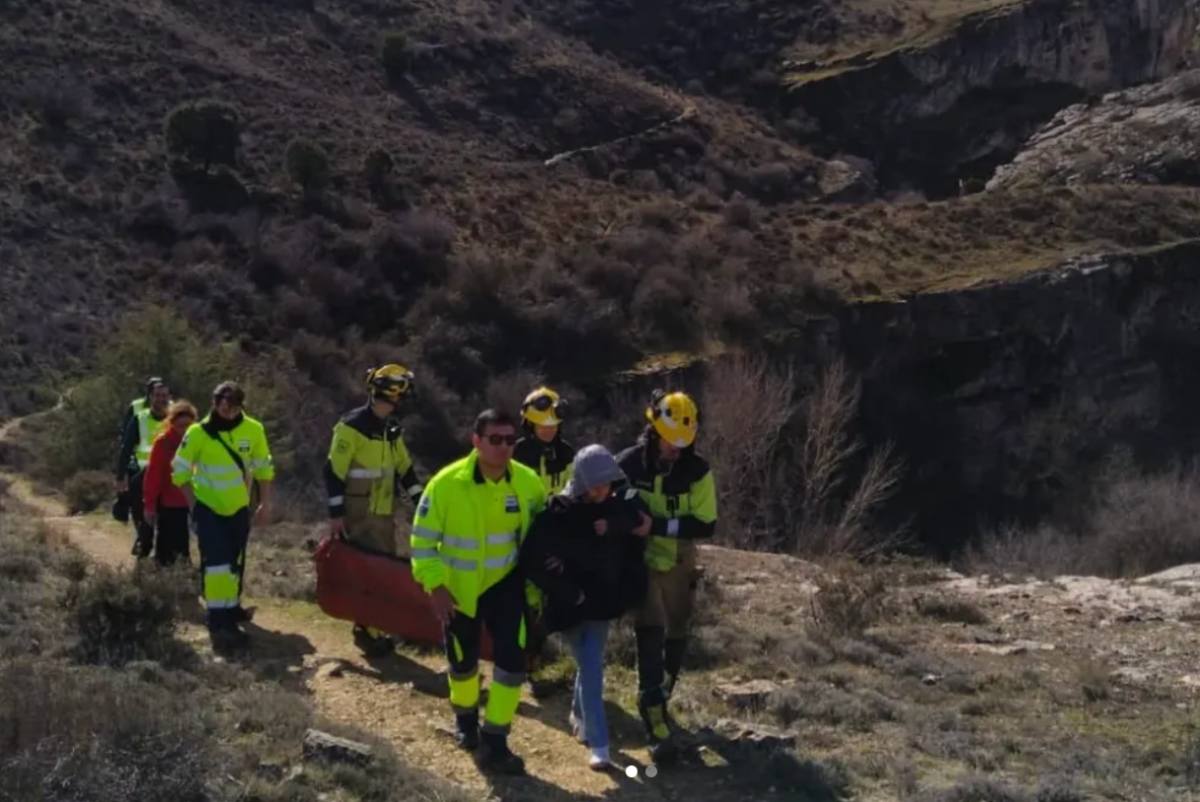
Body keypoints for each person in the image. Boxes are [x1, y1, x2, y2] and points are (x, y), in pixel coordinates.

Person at [410, 409, 546, 775]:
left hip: (507, 587)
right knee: (463, 663)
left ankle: (496, 740)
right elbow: (422, 543)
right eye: (495, 439)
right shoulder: (446, 484)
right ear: (476, 441)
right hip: (457, 591)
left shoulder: (529, 484)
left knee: (511, 662)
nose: (503, 447)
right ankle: (466, 722)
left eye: (510, 440)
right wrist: (435, 586)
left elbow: (543, 538)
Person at [520, 445, 650, 770]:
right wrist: (564, 585)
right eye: (596, 485)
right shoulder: (559, 511)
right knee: (589, 665)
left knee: (591, 667)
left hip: (603, 603)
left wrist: (614, 527)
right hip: (568, 605)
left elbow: (640, 523)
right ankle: (588, 727)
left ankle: (597, 741)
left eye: (607, 484)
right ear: (580, 482)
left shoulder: (617, 507)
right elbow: (533, 558)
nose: (602, 491)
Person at [617, 390, 718, 761]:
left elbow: (706, 523)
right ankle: (652, 712)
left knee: (676, 631)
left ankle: (662, 696)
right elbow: (608, 497)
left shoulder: (697, 471)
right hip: (641, 559)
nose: (675, 451)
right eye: (669, 442)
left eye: (682, 445)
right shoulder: (628, 463)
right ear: (653, 430)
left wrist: (656, 524)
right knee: (650, 629)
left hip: (678, 558)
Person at [324, 364, 425, 657]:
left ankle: (375, 627)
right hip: (359, 510)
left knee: (383, 568)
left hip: (383, 510)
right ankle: (367, 630)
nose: (402, 401)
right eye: (400, 395)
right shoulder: (351, 427)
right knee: (368, 570)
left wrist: (421, 503)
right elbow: (333, 472)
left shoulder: (390, 430)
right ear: (391, 393)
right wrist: (336, 515)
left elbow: (405, 469)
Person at [172, 381, 275, 652]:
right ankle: (219, 622)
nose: (228, 411)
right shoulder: (197, 433)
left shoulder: (253, 430)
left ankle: (231, 608)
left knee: (234, 561)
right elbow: (179, 472)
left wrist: (264, 503)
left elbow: (264, 467)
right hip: (208, 509)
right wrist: (195, 507)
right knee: (217, 564)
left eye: (234, 406)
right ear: (215, 403)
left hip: (239, 509)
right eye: (224, 405)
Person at [116, 378, 171, 558]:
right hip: (142, 475)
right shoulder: (139, 415)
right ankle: (143, 547)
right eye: (156, 395)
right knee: (143, 518)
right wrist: (121, 475)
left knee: (168, 520)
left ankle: (163, 558)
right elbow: (125, 446)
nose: (161, 399)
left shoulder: (175, 417)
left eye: (164, 395)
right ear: (150, 396)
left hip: (169, 477)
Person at [142, 400, 198, 566]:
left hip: (194, 500)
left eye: (188, 425)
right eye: (181, 425)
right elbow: (153, 476)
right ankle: (166, 580)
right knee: (167, 546)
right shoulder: (164, 443)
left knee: (185, 546)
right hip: (170, 503)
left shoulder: (198, 441)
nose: (185, 430)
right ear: (172, 423)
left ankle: (184, 576)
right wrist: (150, 505)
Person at [513, 386, 575, 495]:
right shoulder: (517, 453)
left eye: (553, 426)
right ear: (530, 426)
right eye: (543, 427)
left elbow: (573, 486)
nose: (549, 431)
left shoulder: (566, 452)